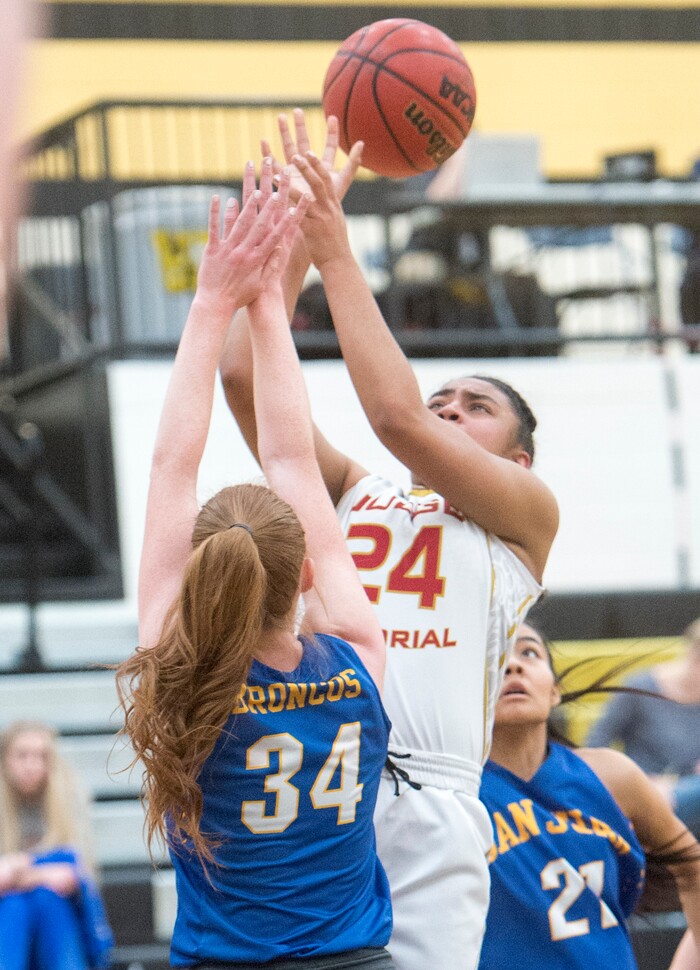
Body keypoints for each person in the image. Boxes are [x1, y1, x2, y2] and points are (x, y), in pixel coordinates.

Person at [219, 110, 559, 970]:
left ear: (517, 456)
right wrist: (301, 231)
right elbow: (239, 376)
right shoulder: (356, 494)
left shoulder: (522, 517)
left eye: (475, 407)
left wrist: (339, 253)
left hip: (432, 798)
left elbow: (395, 417)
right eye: (445, 399)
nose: (449, 410)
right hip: (327, 782)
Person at [115, 165, 394, 969]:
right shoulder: (358, 658)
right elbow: (292, 459)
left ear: (199, 573)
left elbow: (173, 462)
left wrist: (211, 302)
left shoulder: (182, 674)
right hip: (356, 959)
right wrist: (269, 303)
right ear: (306, 574)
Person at [477, 622, 700, 970]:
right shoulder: (453, 792)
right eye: (493, 657)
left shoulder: (612, 776)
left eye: (529, 652)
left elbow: (692, 865)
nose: (513, 665)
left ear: (554, 690)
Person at [0, 719, 114, 970]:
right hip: (10, 918)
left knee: (46, 899)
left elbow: (76, 877)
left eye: (42, 756)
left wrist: (19, 870)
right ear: (5, 761)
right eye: (22, 755)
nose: (32, 765)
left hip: (59, 916)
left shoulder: (69, 796)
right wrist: (44, 870)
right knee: (15, 906)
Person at [586, 617, 700, 839]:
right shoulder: (639, 688)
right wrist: (642, 783)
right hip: (644, 791)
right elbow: (595, 745)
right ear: (694, 655)